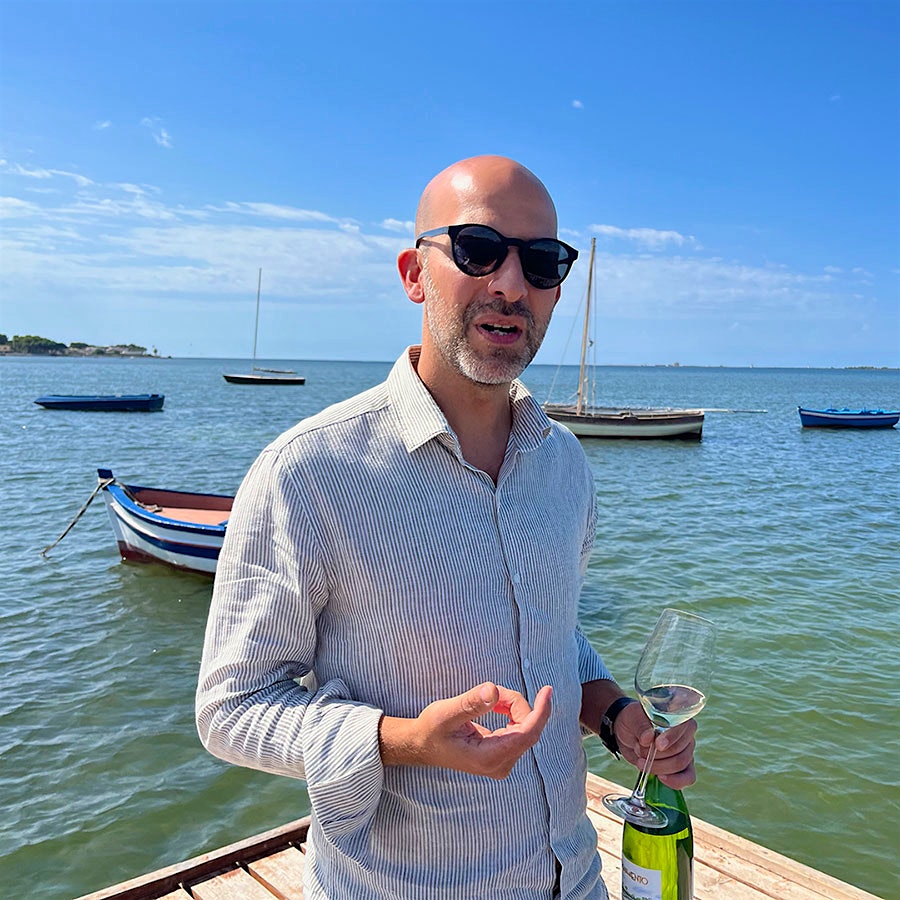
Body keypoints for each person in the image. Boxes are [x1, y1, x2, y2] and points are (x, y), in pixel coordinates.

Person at [196, 155, 697, 899]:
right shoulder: (307, 472)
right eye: (477, 250)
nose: (510, 284)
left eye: (542, 262)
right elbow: (230, 710)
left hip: (577, 877)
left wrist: (613, 712)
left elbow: (555, 630)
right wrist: (402, 742)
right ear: (413, 273)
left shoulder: (565, 465)